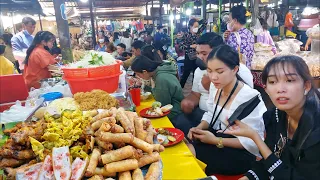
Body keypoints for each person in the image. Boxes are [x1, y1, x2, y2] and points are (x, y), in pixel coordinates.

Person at [224, 55, 320, 180]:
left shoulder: (316, 131)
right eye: (273, 82)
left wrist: (255, 138)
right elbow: (267, 164)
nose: (280, 89)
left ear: (306, 86)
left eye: (289, 80)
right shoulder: (275, 116)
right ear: (266, 89)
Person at [186, 45, 266, 175]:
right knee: (186, 145)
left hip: (241, 153)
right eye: (210, 71)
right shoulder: (215, 87)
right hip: (219, 137)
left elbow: (254, 142)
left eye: (220, 71)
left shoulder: (250, 97)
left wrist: (216, 141)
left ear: (235, 69)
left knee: (191, 154)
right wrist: (199, 128)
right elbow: (211, 113)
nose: (213, 77)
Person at [174, 32, 254, 135]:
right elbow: (196, 95)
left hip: (227, 120)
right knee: (179, 122)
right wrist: (188, 103)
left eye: (204, 53)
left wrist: (210, 85)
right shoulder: (200, 70)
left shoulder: (240, 72)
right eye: (197, 53)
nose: (200, 57)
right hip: (207, 115)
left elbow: (242, 105)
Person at [131, 45, 184, 121]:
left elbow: (162, 104)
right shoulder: (158, 71)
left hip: (174, 113)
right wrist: (146, 87)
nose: (139, 77)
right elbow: (158, 92)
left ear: (144, 72)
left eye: (138, 75)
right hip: (173, 107)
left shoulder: (161, 78)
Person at [180, 18, 207, 88]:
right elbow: (181, 46)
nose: (196, 28)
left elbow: (205, 22)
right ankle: (180, 88)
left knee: (196, 74)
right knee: (186, 73)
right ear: (190, 26)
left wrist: (198, 20)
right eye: (195, 27)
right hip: (189, 57)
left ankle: (194, 89)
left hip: (197, 57)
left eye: (197, 26)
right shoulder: (186, 35)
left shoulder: (198, 33)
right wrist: (191, 46)